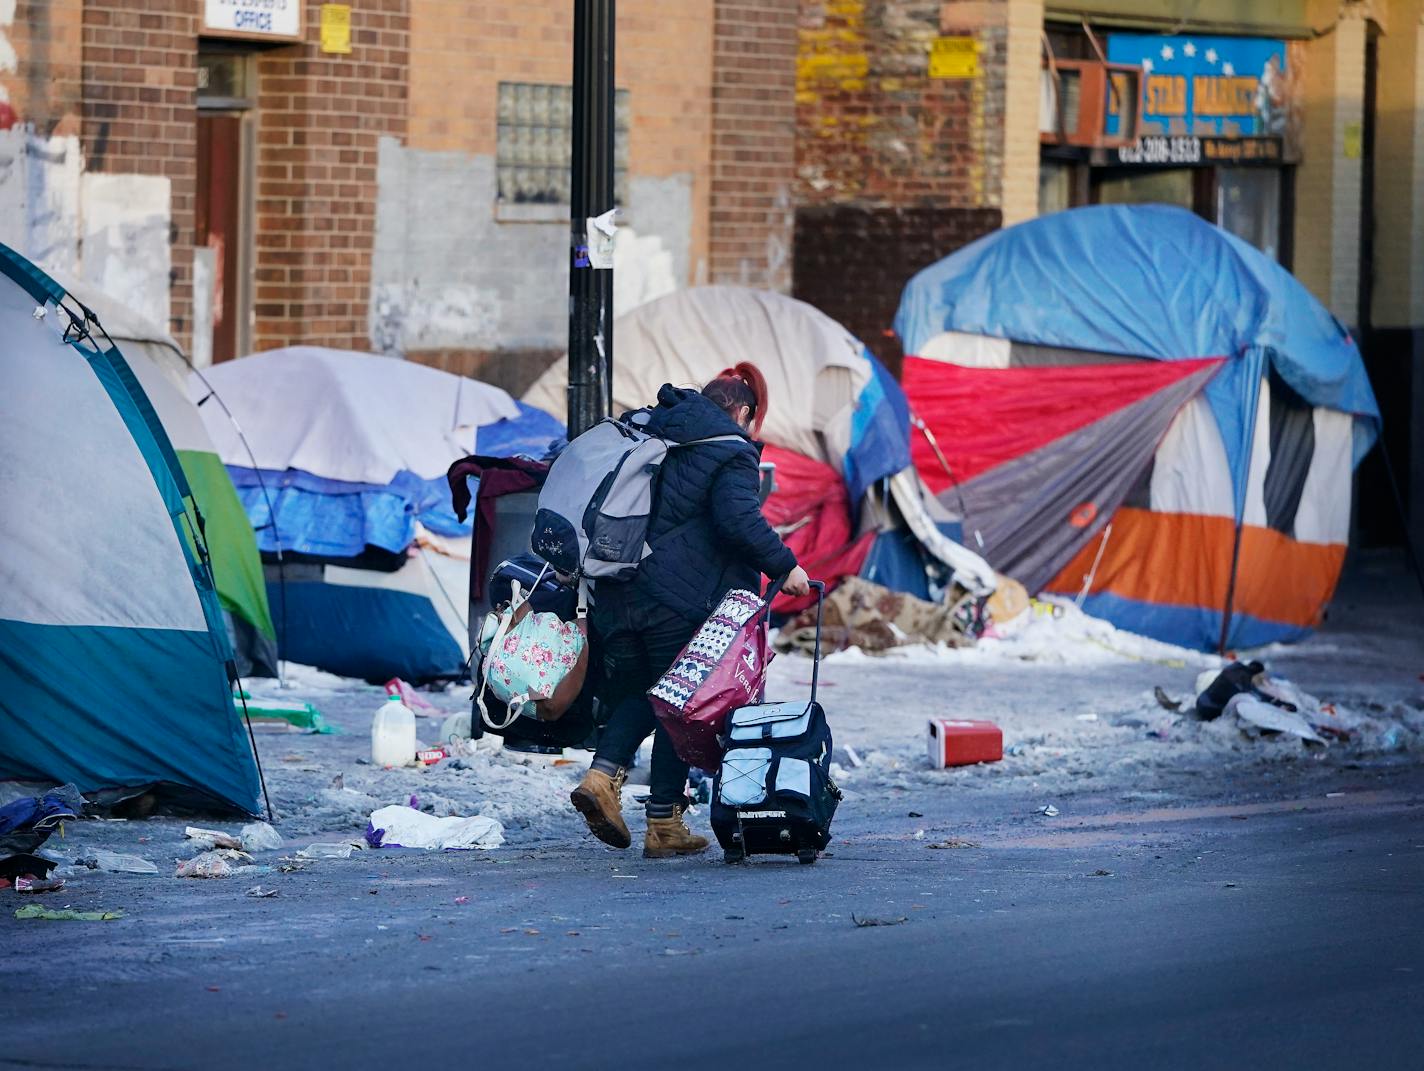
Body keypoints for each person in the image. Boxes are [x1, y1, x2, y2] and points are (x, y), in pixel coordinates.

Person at [570, 363, 811, 857]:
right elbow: (737, 519)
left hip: (615, 590)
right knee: (674, 704)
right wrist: (784, 566)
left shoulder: (653, 430)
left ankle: (621, 792)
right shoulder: (730, 450)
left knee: (642, 693)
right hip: (675, 598)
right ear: (743, 412)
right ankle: (654, 816)